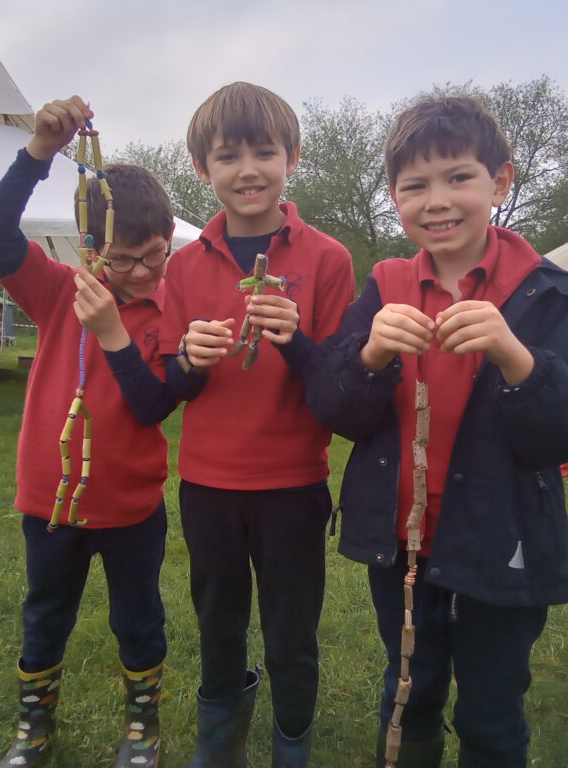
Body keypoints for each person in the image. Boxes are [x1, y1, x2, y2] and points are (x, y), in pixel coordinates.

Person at [305, 96, 568, 767]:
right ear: (394, 198)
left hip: (501, 543)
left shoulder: (545, 291)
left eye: (458, 177)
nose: (437, 200)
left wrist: (519, 359)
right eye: (414, 186)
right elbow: (331, 408)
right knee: (409, 690)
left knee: (491, 708)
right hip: (403, 548)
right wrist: (367, 357)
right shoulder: (386, 285)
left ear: (499, 182)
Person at [0, 96, 175, 768]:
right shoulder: (59, 289)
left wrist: (115, 333)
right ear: (90, 248)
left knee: (138, 620)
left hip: (131, 507)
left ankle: (142, 731)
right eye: (123, 260)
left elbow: (153, 408)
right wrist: (40, 152)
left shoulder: (170, 310)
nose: (142, 271)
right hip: (51, 503)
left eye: (154, 254)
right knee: (45, 616)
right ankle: (34, 731)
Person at [159, 81, 355, 767]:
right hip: (208, 486)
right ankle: (221, 748)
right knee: (218, 624)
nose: (248, 169)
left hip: (293, 486)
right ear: (201, 169)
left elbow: (338, 386)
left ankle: (290, 747)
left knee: (291, 632)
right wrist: (188, 357)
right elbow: (164, 381)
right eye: (227, 155)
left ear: (292, 158)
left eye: (264, 152)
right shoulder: (181, 266)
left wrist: (296, 341)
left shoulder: (327, 259)